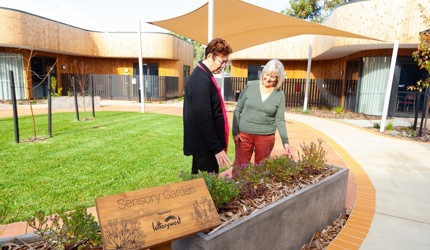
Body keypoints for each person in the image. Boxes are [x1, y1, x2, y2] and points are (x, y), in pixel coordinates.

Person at [183, 38, 233, 174]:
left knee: (201, 184)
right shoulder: (202, 80)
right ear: (210, 56)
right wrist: (217, 149)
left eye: (226, 62)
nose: (223, 66)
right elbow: (204, 118)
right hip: (205, 147)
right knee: (206, 188)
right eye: (222, 61)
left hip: (204, 145)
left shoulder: (202, 75)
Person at [232, 59, 293, 167]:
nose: (268, 79)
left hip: (266, 136)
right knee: (239, 168)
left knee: (260, 169)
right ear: (263, 72)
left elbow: (280, 119)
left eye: (273, 77)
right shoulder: (250, 86)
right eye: (267, 74)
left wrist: (285, 142)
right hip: (244, 135)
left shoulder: (279, 94)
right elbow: (238, 109)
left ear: (278, 79)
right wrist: (235, 132)